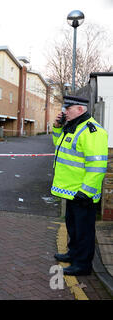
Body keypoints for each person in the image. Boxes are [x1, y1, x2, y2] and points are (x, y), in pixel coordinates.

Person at [52, 95, 108, 276]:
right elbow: (59, 146)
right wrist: (57, 128)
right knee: (73, 227)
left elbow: (97, 165)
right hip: (72, 191)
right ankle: (73, 254)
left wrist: (86, 191)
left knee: (84, 232)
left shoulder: (93, 131)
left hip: (83, 193)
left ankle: (83, 265)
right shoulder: (74, 127)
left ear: (80, 110)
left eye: (68, 109)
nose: (64, 112)